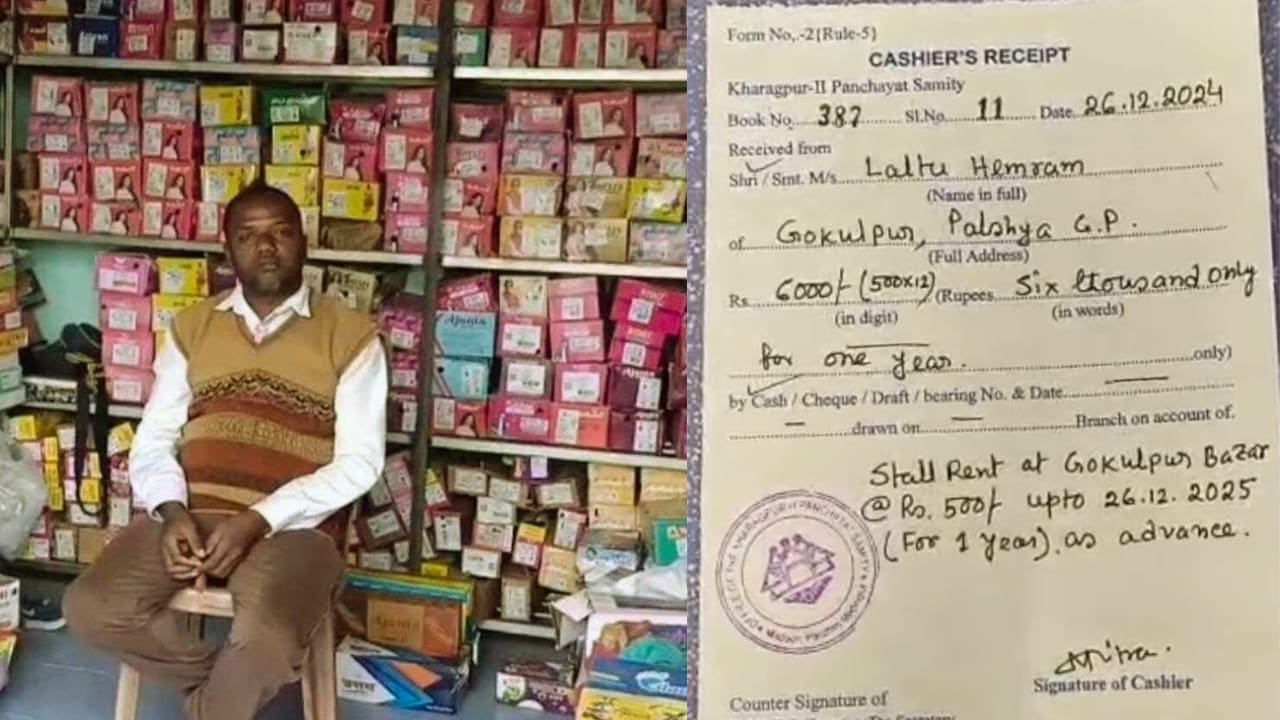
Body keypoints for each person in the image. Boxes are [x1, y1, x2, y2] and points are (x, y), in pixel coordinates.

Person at [63, 185, 388, 720]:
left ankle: (209, 708)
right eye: (248, 235)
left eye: (280, 232)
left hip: (295, 529)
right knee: (91, 607)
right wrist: (170, 512)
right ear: (227, 251)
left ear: (303, 242)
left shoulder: (350, 337)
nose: (265, 247)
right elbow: (155, 439)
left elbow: (360, 462)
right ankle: (217, 687)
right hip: (192, 516)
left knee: (268, 641)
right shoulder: (192, 327)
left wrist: (260, 519)